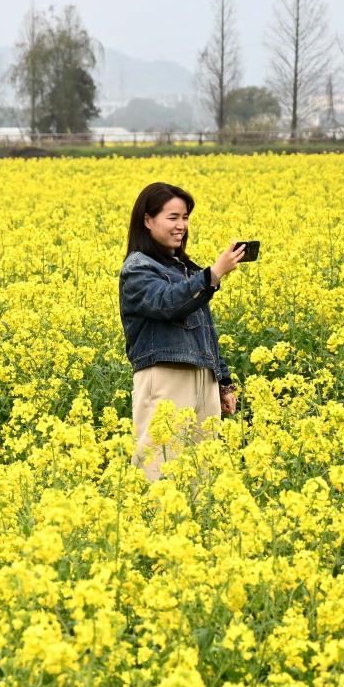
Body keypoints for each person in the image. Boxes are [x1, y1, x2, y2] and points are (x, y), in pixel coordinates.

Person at [118, 182, 244, 481]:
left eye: (185, 217)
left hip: (203, 378)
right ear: (147, 220)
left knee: (202, 474)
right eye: (172, 217)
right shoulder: (137, 269)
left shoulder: (184, 268)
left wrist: (223, 383)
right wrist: (213, 274)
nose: (181, 226)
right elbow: (166, 303)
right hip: (166, 376)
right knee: (159, 469)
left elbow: (207, 333)